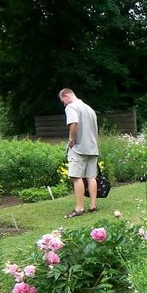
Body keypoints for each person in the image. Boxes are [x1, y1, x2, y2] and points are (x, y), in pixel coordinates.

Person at [60, 88, 99, 218]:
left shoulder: (71, 107)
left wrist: (71, 140)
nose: (64, 104)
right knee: (91, 177)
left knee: (76, 177)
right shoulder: (89, 109)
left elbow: (74, 123)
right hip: (93, 148)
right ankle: (93, 205)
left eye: (63, 101)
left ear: (66, 96)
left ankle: (79, 208)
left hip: (79, 148)